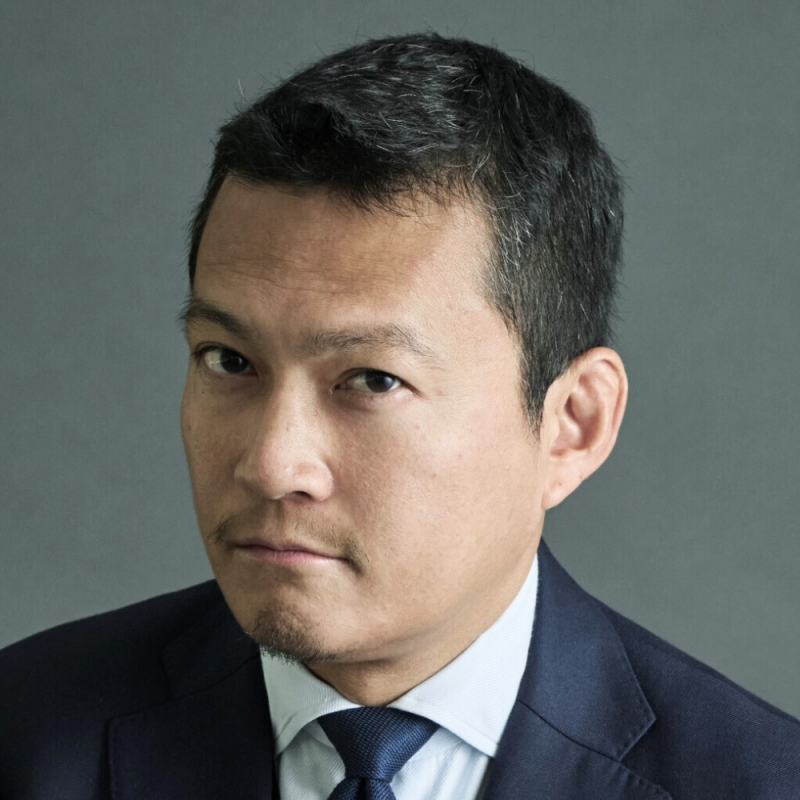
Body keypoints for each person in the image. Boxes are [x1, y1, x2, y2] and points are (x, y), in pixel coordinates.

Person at [1, 31, 798, 800]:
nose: (271, 464)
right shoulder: (24, 737)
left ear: (572, 426)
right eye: (230, 361)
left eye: (373, 380)